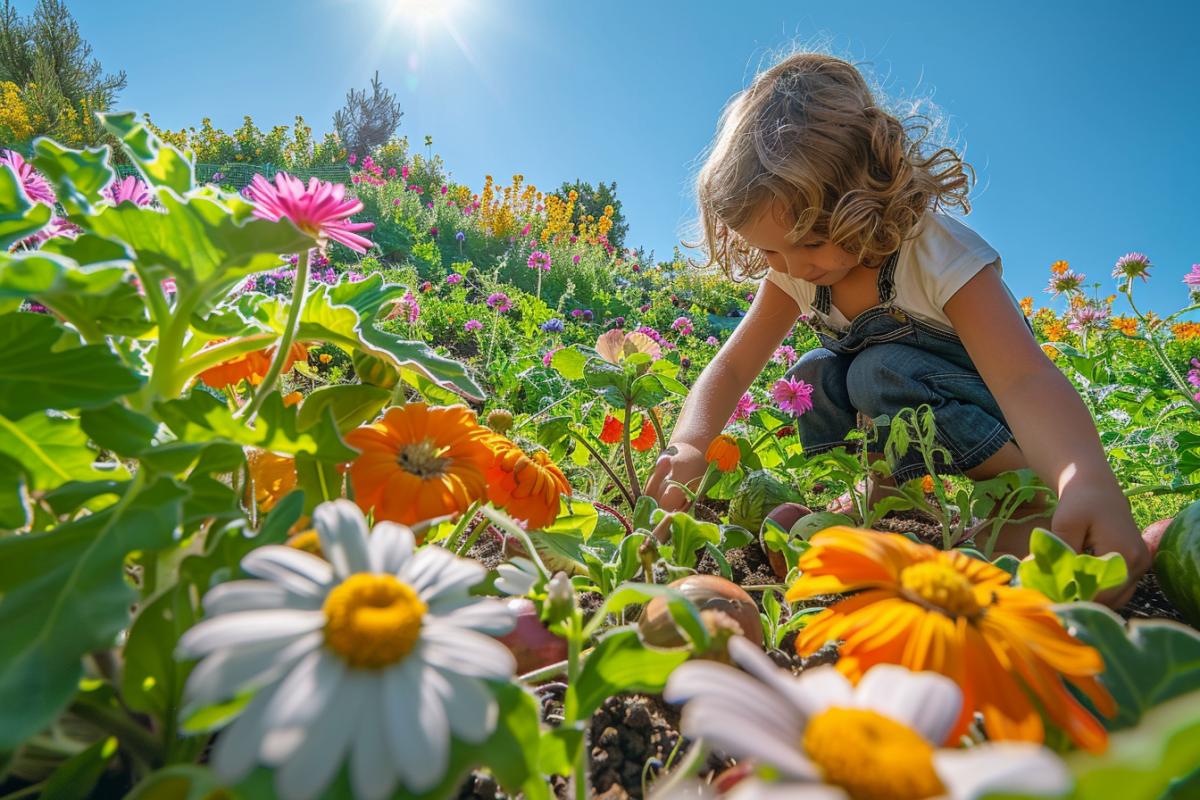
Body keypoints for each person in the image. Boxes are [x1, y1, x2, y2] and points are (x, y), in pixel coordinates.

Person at [643, 51, 1149, 605]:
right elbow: (735, 363)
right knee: (814, 375)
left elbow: (1024, 380)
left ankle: (1026, 502)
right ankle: (892, 499)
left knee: (879, 372)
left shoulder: (936, 254)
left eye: (810, 243)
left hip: (1002, 418)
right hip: (915, 410)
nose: (788, 266)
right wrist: (689, 444)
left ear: (865, 200)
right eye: (768, 250)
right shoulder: (793, 270)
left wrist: (1085, 478)